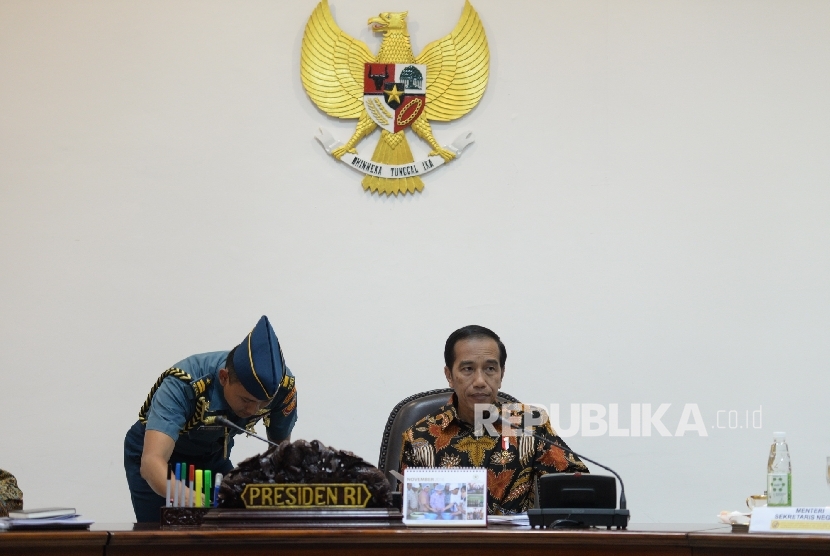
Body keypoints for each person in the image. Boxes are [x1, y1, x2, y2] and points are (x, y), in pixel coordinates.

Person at [399, 325, 588, 515]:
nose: (480, 381)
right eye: (468, 369)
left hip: (514, 542)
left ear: (501, 374)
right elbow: (408, 511)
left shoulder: (529, 424)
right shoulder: (419, 436)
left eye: (490, 368)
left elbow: (577, 488)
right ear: (449, 375)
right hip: (447, 542)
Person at [124, 315, 298, 522]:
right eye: (246, 400)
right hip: (163, 460)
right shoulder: (185, 383)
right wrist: (200, 503)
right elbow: (152, 461)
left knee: (234, 527)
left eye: (263, 403)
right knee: (162, 538)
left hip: (212, 458)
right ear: (224, 377)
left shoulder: (283, 388)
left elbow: (279, 452)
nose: (253, 410)